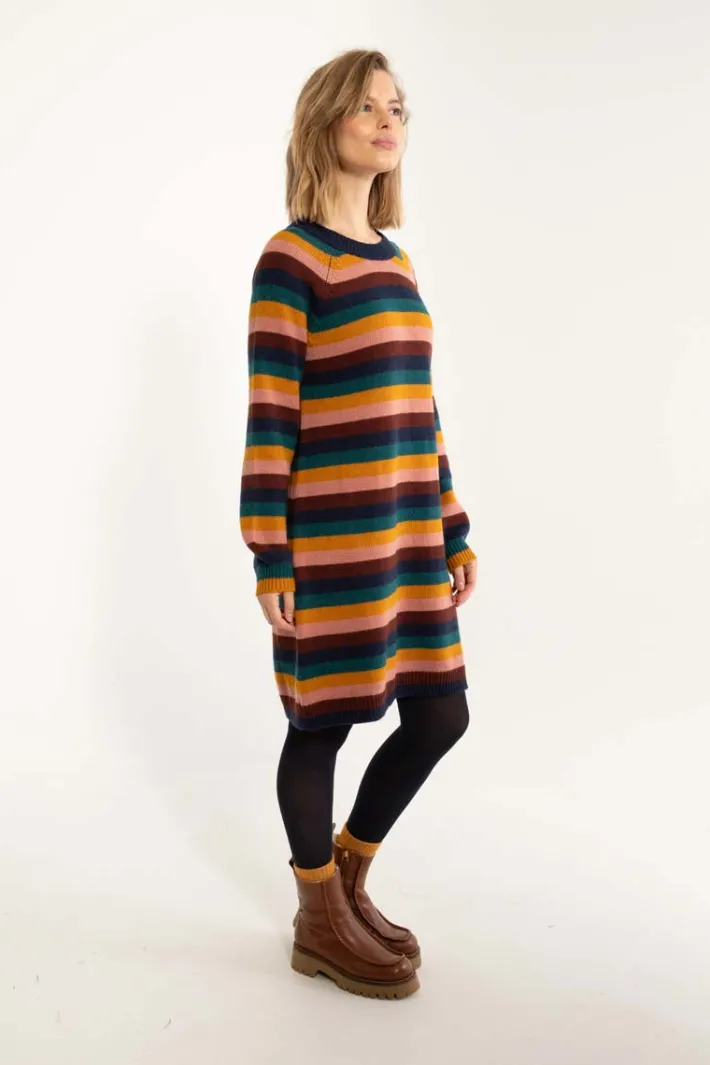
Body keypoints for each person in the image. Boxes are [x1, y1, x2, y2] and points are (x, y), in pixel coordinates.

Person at [239, 49, 478, 999]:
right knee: (325, 721)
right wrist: (269, 553)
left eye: (399, 108)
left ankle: (346, 877)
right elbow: (271, 415)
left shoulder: (395, 259)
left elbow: (421, 408)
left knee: (441, 714)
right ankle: (317, 916)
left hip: (407, 535)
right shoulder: (291, 258)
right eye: (369, 107)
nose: (389, 122)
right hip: (331, 539)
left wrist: (452, 524)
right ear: (326, 121)